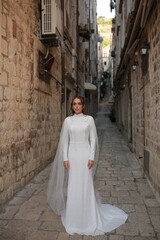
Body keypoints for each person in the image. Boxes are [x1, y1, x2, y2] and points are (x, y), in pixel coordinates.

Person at [47, 96, 128, 236]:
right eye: (74, 104)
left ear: (83, 105)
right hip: (72, 155)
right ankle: (75, 216)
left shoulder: (89, 119)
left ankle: (88, 216)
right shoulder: (68, 121)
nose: (76, 106)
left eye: (79, 104)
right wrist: (65, 158)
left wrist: (91, 157)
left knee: (85, 183)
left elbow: (93, 139)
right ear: (72, 106)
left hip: (85, 155)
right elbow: (65, 141)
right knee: (73, 184)